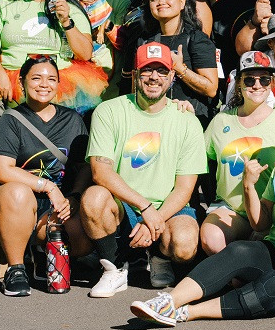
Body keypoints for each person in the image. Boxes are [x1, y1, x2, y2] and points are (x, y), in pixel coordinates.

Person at [126, 102, 275, 328]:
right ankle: (169, 302)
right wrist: (248, 186)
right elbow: (260, 224)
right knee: (240, 250)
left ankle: (189, 312)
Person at [82, 43, 208, 296]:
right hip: (123, 204)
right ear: (135, 74)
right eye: (147, 70)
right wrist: (145, 208)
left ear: (172, 76)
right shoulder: (109, 111)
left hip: (168, 207)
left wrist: (155, 218)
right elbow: (100, 171)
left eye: (161, 71)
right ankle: (114, 268)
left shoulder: (187, 121)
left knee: (184, 246)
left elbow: (184, 188)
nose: (154, 77)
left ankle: (158, 255)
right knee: (93, 198)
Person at [0, 56, 90, 296]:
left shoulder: (73, 120)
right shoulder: (10, 120)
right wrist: (48, 186)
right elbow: (1, 170)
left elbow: (82, 167)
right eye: (36, 78)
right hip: (12, 202)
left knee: (83, 236)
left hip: (55, 205)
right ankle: (16, 268)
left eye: (51, 79)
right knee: (19, 193)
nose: (44, 84)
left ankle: (42, 251)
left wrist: (73, 197)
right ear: (22, 82)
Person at [201, 51, 275, 254]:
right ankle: (237, 278)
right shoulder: (220, 121)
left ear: (271, 83)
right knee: (211, 238)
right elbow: (201, 164)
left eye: (264, 79)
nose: (257, 85)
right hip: (231, 210)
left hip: (268, 213)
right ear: (239, 83)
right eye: (250, 79)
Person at [0, 0, 95, 104]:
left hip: (58, 87)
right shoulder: (5, 5)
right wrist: (0, 75)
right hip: (10, 86)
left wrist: (66, 21)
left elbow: (85, 54)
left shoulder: (70, 8)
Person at [116, 0, 220, 122]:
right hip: (152, 121)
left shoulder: (197, 39)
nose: (161, 2)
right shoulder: (144, 41)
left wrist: (180, 69)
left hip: (189, 119)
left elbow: (211, 89)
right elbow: (135, 89)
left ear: (182, 2)